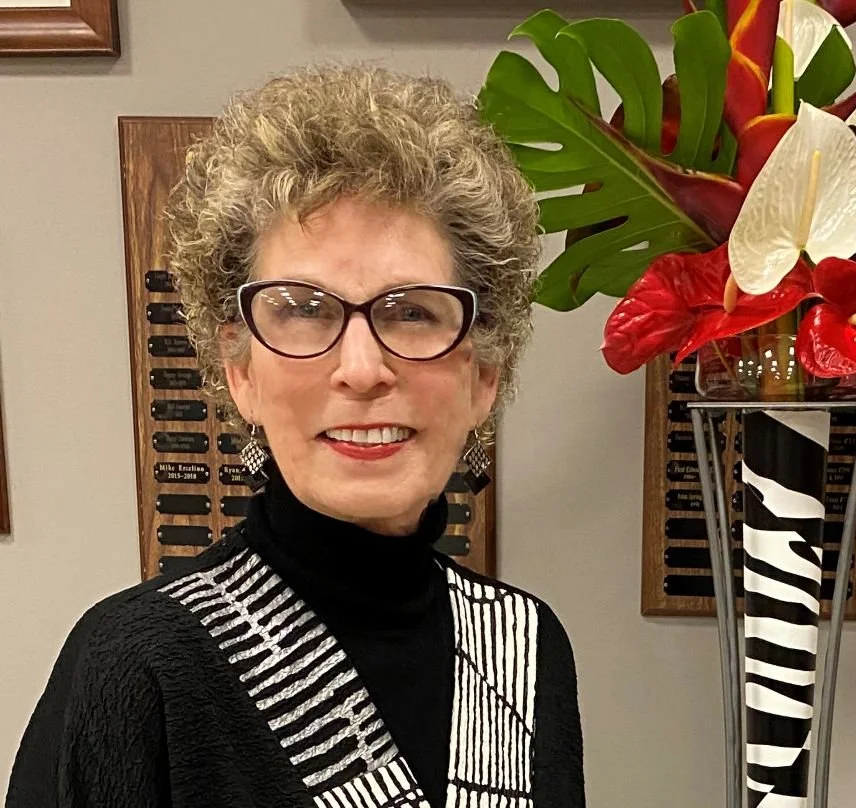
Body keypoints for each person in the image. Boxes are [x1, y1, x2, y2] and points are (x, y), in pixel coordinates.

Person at [6, 65, 585, 808]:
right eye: (305, 310)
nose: (362, 367)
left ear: (483, 375)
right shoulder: (138, 666)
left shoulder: (528, 650)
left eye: (413, 312)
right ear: (240, 370)